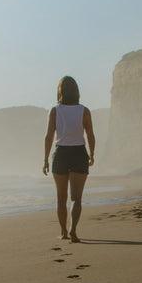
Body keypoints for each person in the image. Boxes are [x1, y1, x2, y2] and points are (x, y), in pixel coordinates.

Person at [43, 76, 95, 242]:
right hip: (79, 153)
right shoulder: (84, 111)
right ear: (77, 91)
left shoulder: (55, 110)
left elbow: (49, 136)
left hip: (60, 154)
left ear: (60, 91)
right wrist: (92, 154)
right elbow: (90, 135)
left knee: (61, 198)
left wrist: (45, 159)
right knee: (76, 198)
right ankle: (73, 230)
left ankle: (64, 232)